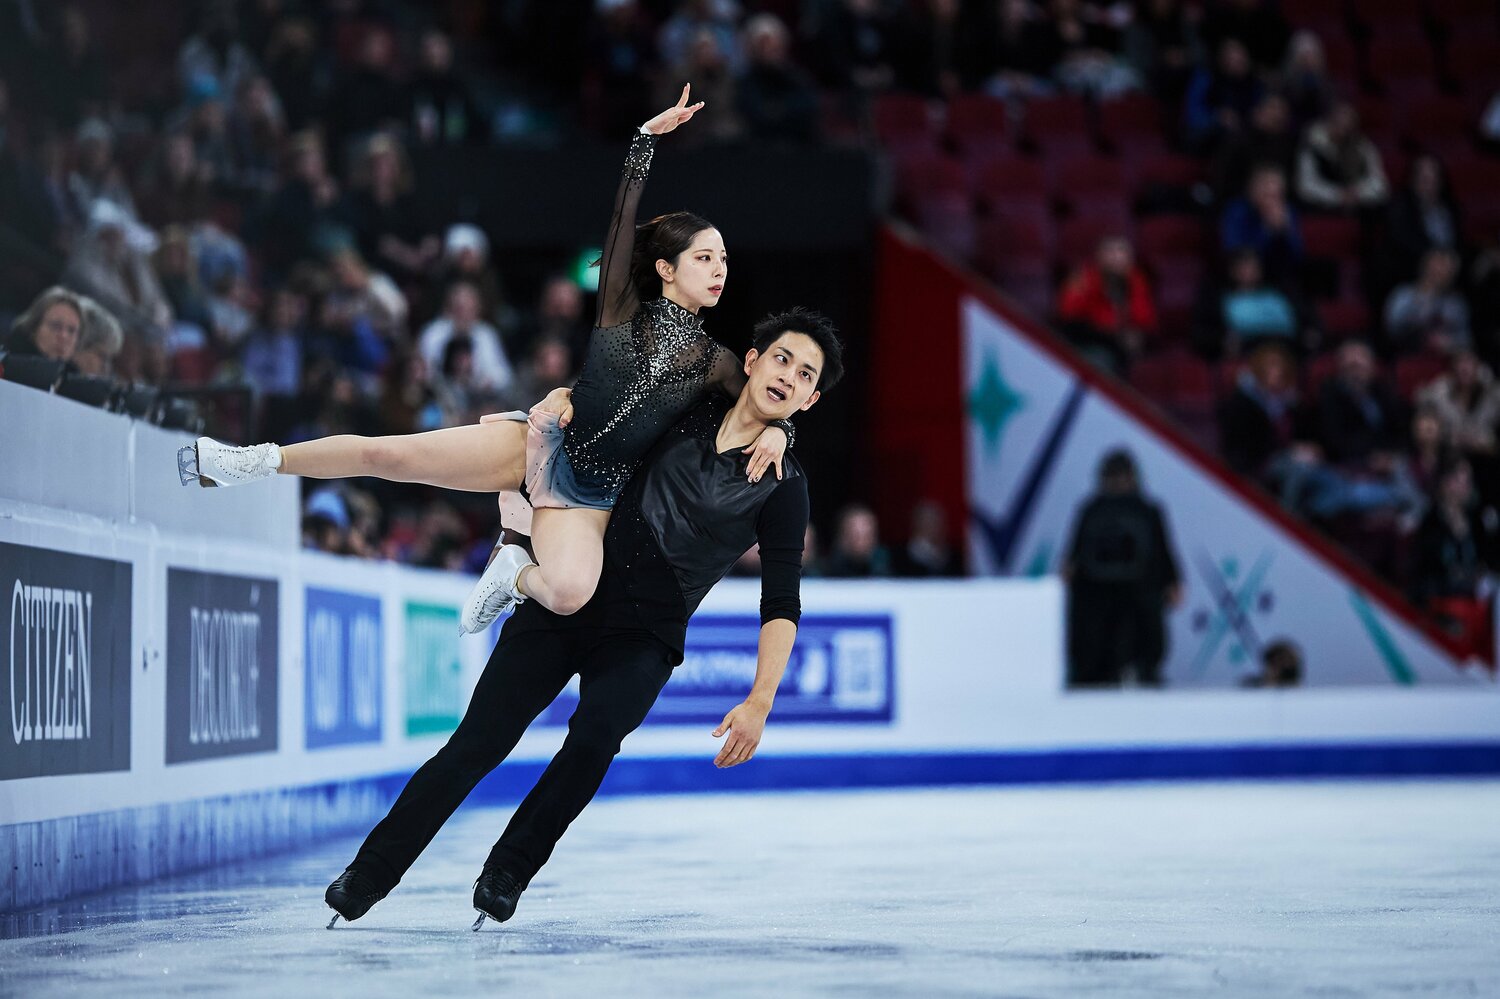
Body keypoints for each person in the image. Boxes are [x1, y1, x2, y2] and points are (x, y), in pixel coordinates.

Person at [181, 88, 791, 624]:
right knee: (387, 454)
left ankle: (511, 570)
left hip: (592, 494)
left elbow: (767, 399)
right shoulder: (620, 306)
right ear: (666, 267)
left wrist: (783, 432)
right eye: (705, 257)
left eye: (725, 260)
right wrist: (641, 144)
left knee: (571, 591)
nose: (719, 269)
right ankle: (253, 460)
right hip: (544, 438)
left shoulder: (715, 361)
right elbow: (620, 225)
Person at [322, 310, 843, 929]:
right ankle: (370, 872)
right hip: (576, 588)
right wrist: (565, 395)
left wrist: (761, 699)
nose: (788, 375)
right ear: (752, 362)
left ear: (810, 398)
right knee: (480, 741)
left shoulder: (785, 486)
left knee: (594, 740)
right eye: (781, 358)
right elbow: (608, 400)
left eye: (805, 374)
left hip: (646, 634)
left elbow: (781, 601)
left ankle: (508, 871)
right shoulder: (690, 408)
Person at [1062, 449, 1182, 688]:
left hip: (1138, 591)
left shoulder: (1147, 511)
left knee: (1142, 640)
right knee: (1096, 643)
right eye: (1112, 477)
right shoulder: (1091, 510)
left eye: (1120, 476)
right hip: (1097, 593)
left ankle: (1141, 672)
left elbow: (1162, 549)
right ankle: (1098, 675)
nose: (1117, 483)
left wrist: (1173, 580)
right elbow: (1073, 555)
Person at [3, 286, 86, 361]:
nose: (63, 336)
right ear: (34, 328)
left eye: (71, 330)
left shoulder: (75, 374)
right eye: (56, 326)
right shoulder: (6, 364)